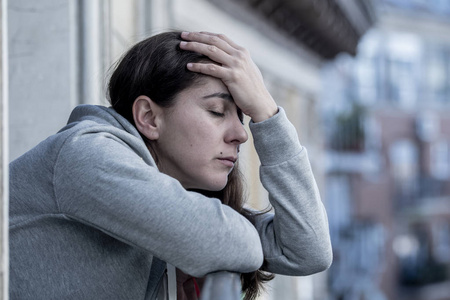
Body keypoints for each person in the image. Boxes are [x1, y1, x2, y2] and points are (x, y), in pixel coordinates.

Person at [9, 31, 332, 300]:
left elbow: (308, 250)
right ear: (149, 117)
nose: (240, 135)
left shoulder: (162, 185)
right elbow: (230, 242)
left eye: (243, 117)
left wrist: (268, 115)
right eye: (218, 112)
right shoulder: (85, 155)